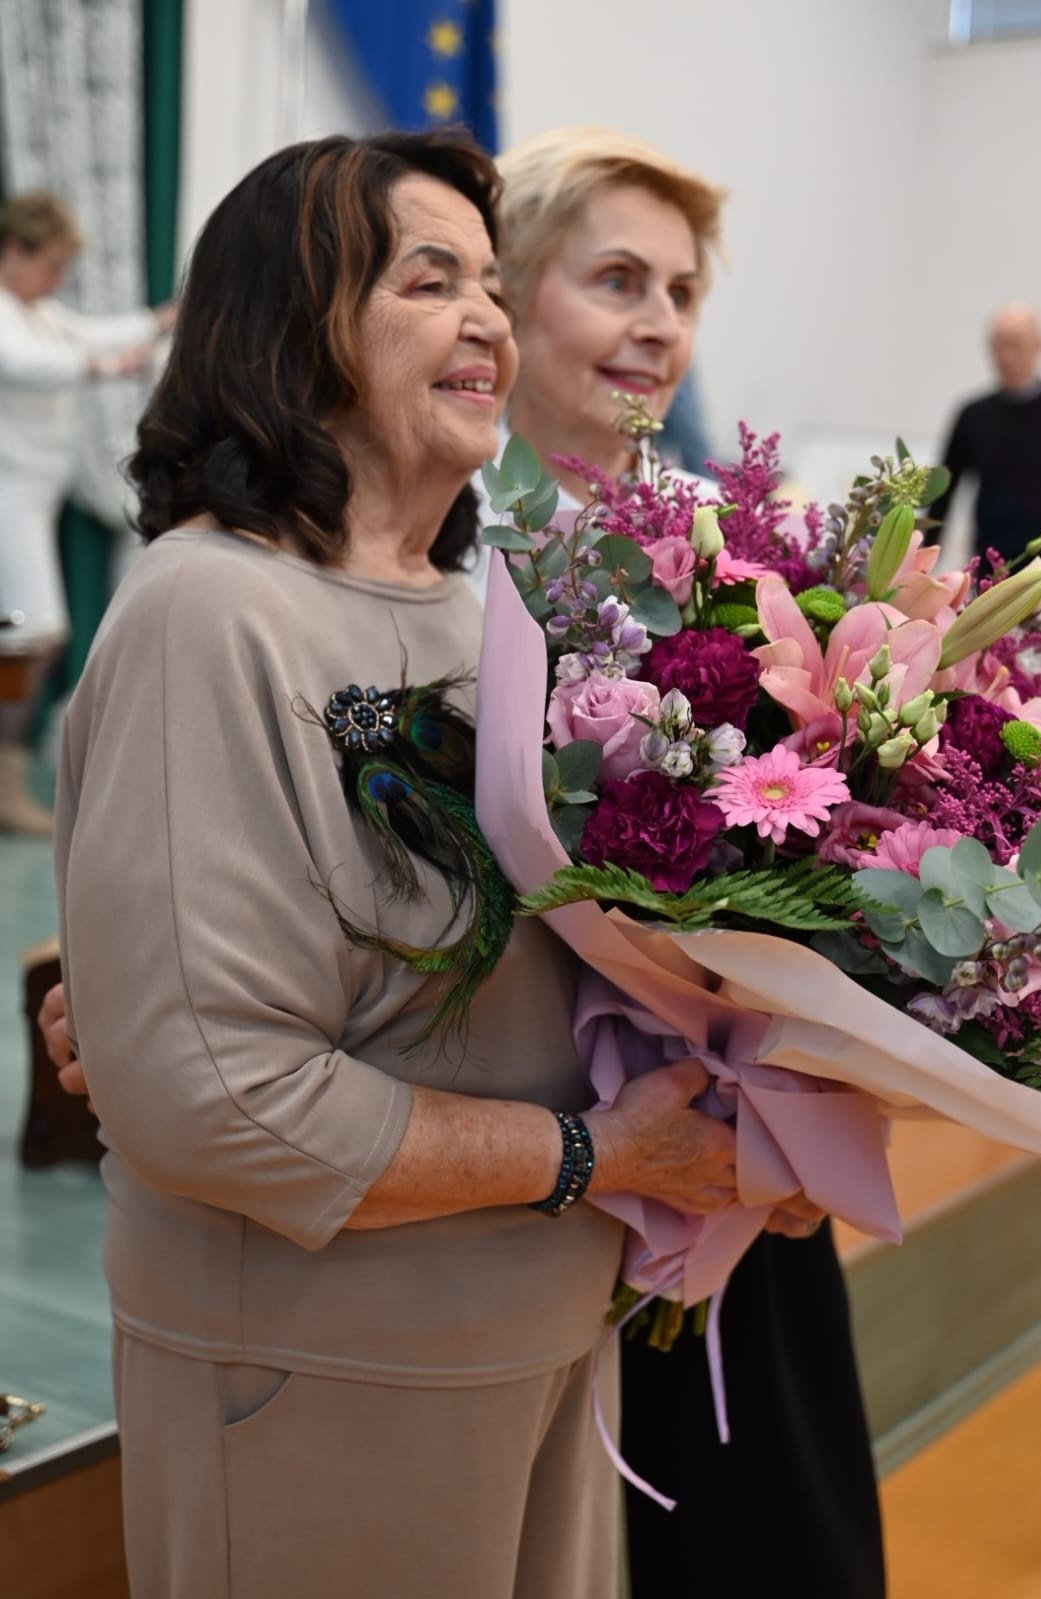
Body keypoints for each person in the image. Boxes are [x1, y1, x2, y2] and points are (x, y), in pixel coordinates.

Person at [50, 130, 771, 1599]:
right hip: (324, 1363)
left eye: (493, 284)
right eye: (429, 282)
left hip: (546, 1336)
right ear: (290, 326)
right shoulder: (212, 609)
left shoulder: (485, 612)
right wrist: (595, 1155)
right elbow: (220, 1093)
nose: (487, 319)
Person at [489, 125, 886, 1598]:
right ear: (503, 295)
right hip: (537, 1189)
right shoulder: (434, 563)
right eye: (614, 279)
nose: (657, 321)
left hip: (734, 1177)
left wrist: (826, 1088)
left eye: (679, 289)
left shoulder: (747, 570)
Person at [0, 190, 176, 834]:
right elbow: (30, 366)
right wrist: (104, 367)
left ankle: (6, 780)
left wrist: (161, 319)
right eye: (52, 264)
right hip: (9, 498)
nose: (59, 278)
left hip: (32, 497)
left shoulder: (38, 311)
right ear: (14, 251)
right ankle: (6, 786)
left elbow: (90, 330)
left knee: (25, 639)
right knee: (33, 636)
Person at [928, 303, 1041, 568]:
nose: (1006, 356)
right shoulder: (973, 414)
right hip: (993, 563)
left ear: (1039, 346)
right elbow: (942, 495)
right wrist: (921, 562)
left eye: (1015, 345)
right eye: (998, 345)